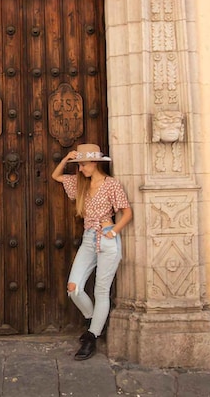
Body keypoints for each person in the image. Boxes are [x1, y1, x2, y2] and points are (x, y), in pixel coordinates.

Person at [51, 143, 133, 360]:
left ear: (94, 163)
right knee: (73, 288)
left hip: (107, 239)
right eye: (79, 165)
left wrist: (113, 231)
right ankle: (93, 319)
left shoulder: (111, 185)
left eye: (83, 165)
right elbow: (56, 176)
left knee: (101, 290)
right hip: (89, 238)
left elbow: (127, 213)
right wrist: (67, 158)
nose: (80, 169)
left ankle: (92, 337)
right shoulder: (81, 185)